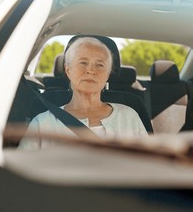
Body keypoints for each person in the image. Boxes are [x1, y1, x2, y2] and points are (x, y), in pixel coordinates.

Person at [19, 37, 148, 149]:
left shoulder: (130, 116)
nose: (91, 70)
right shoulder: (43, 123)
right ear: (68, 70)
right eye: (83, 62)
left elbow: (149, 166)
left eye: (100, 65)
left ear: (108, 74)